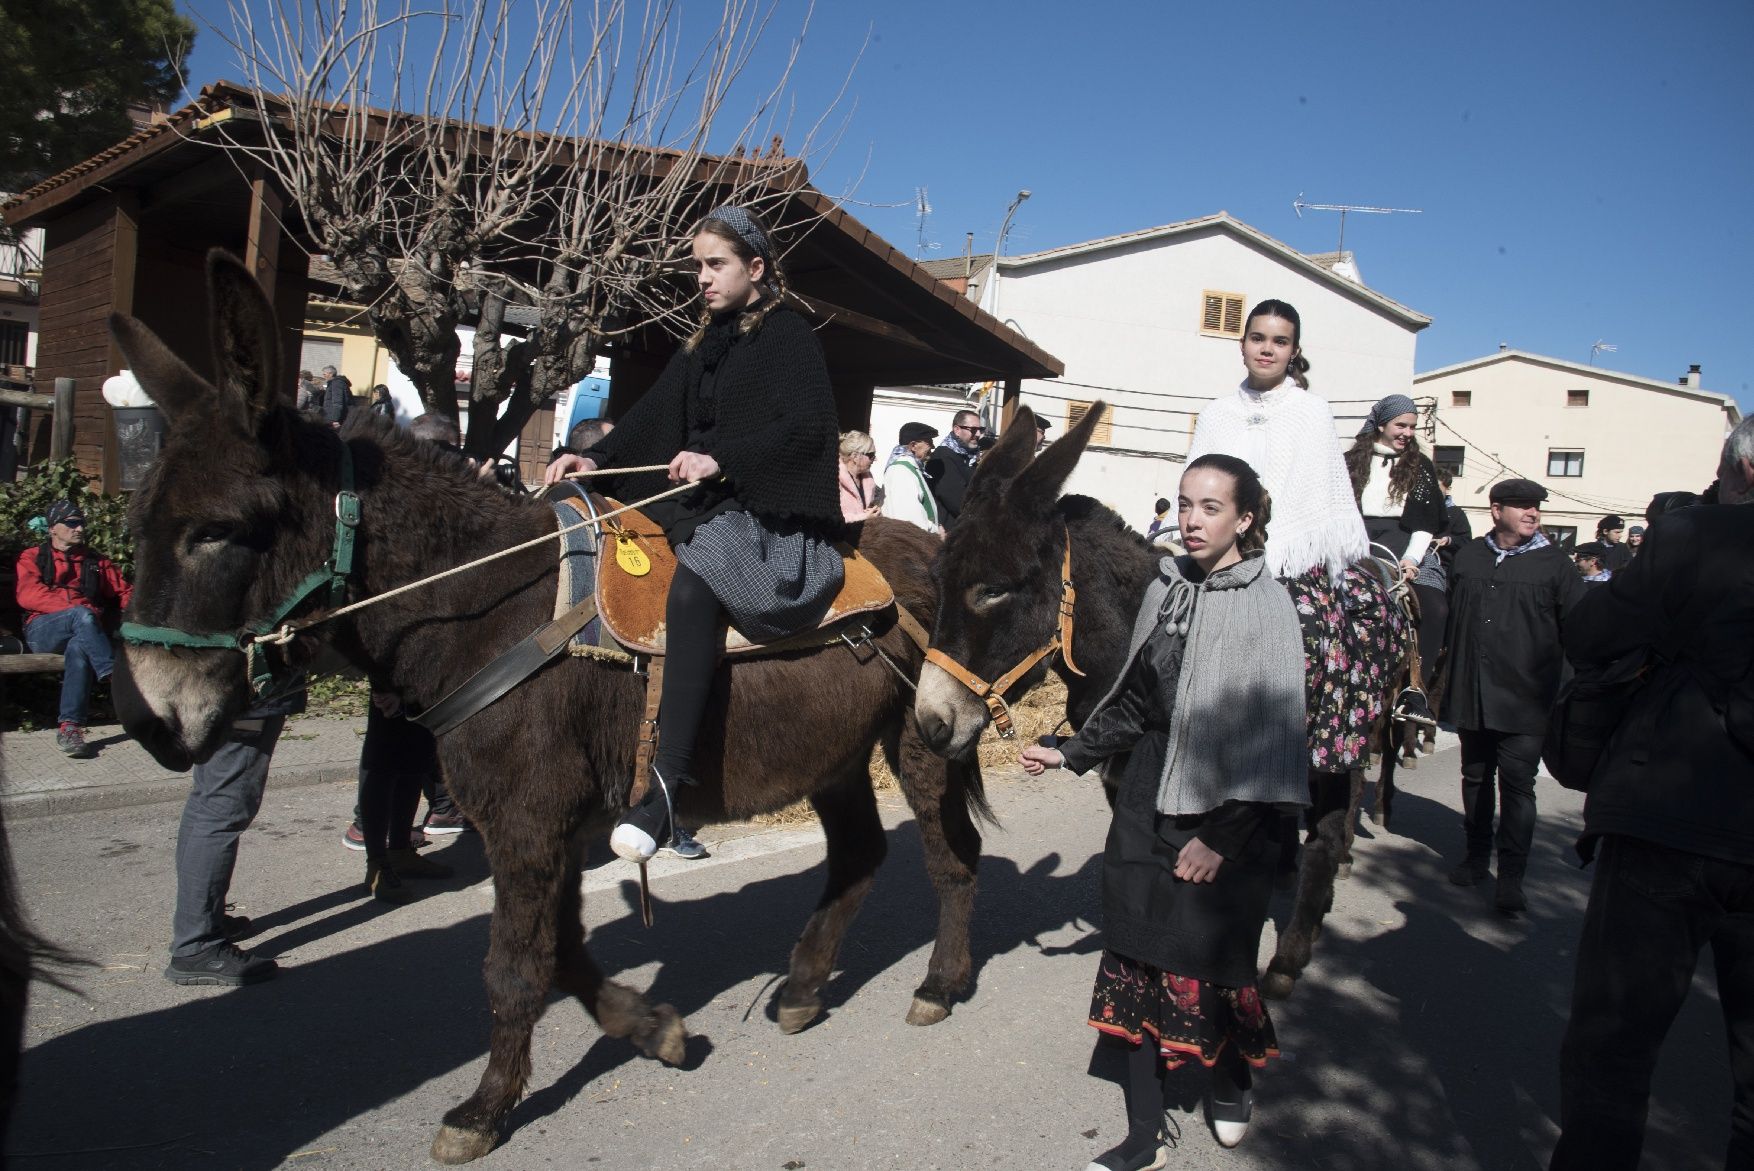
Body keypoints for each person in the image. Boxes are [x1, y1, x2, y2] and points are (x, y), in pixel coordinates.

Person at [1023, 455, 1307, 1167]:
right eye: (1185, 503)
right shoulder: (1167, 588)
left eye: (1211, 507)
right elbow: (1132, 699)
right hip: (1149, 794)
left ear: (1244, 519)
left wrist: (1220, 837)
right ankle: (1144, 1133)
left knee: (1215, 963)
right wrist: (1072, 752)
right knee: (1137, 952)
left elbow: (1277, 739)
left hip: (1231, 808)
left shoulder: (1268, 605)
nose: (1191, 518)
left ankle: (1231, 1078)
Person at [543, 204, 844, 862]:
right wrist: (597, 459)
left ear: (755, 268)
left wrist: (723, 457)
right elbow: (656, 413)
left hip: (765, 508)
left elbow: (808, 429)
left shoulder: (790, 335)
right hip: (709, 497)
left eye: (716, 264)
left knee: (690, 589)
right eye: (698, 265)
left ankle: (668, 789)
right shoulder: (707, 336)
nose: (702, 278)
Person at [1549, 416, 1754, 1171]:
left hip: (1669, 815)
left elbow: (1591, 632)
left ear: (1741, 472)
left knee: (1614, 1053)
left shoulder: (1692, 535)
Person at [1185, 299, 1399, 780]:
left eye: (1279, 341)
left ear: (1293, 350)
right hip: (1216, 555)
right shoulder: (1215, 413)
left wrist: (1267, 551)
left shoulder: (1312, 412)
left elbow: (1315, 498)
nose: (1267, 349)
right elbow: (1195, 485)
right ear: (1242, 345)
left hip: (1290, 562)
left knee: (1332, 634)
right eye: (1258, 338)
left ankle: (1314, 754)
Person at [1440, 478, 1586, 913]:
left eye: (1536, 506)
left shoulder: (1555, 565)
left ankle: (1512, 877)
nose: (1532, 513)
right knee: (1475, 778)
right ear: (1496, 510)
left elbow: (1579, 631)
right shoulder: (1468, 558)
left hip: (1528, 698)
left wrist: (1567, 693)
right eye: (1522, 506)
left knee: (1519, 787)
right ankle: (1474, 858)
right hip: (1473, 693)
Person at [165, 685, 305, 985]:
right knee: (223, 808)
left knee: (207, 800)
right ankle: (197, 944)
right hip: (245, 691)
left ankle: (200, 920)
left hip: (218, 687)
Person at [15, 499, 132, 758]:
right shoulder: (33, 556)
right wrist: (75, 608)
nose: (79, 528)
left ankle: (70, 727)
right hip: (43, 631)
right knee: (82, 616)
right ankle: (115, 677)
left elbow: (125, 593)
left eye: (81, 523)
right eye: (71, 523)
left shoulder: (96, 562)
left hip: (84, 633)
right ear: (53, 528)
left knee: (79, 649)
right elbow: (28, 595)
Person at [1345, 393, 1448, 674]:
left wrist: (1413, 559)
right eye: (1401, 426)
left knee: (1435, 608)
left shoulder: (1421, 466)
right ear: (1381, 425)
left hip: (1405, 544)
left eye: (1412, 427)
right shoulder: (1349, 462)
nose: (1408, 433)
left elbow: (1425, 523)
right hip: (1355, 542)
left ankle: (1417, 688)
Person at [350, 691, 454, 903]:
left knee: (416, 756)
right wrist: (388, 686)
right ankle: (377, 865)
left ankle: (400, 853)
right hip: (391, 676)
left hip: (418, 681)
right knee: (382, 762)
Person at [925, 409, 984, 529]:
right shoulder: (943, 457)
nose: (978, 434)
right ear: (957, 430)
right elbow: (958, 502)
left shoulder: (968, 457)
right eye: (973, 429)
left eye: (980, 430)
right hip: (948, 534)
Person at [881, 422, 942, 535]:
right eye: (929, 441)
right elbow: (910, 521)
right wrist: (937, 532)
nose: (933, 446)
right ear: (913, 446)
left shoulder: (910, 468)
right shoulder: (901, 471)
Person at [836, 430, 881, 523]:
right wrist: (863, 517)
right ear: (855, 456)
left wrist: (874, 511)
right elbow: (832, 519)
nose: (875, 459)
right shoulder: (834, 479)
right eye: (871, 455)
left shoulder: (868, 479)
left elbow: (868, 507)